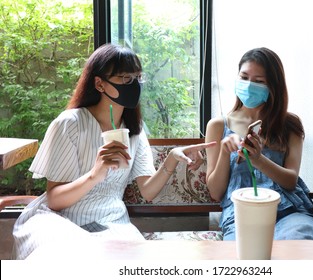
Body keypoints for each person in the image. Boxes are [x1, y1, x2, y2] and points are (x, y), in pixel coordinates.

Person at [12, 43, 215, 259]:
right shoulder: (69, 124)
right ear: (99, 83)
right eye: (126, 79)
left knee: (130, 264)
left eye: (138, 78)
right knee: (73, 257)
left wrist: (173, 158)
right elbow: (54, 200)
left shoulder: (134, 130)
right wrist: (94, 175)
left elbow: (147, 191)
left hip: (112, 222)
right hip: (60, 221)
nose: (134, 85)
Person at [205, 47, 313, 241]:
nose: (249, 85)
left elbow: (290, 180)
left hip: (289, 211)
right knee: (247, 257)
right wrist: (225, 153)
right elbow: (216, 192)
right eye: (244, 77)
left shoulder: (290, 125)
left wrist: (258, 160)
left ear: (273, 87)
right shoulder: (218, 126)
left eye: (259, 81)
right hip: (241, 214)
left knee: (301, 241)